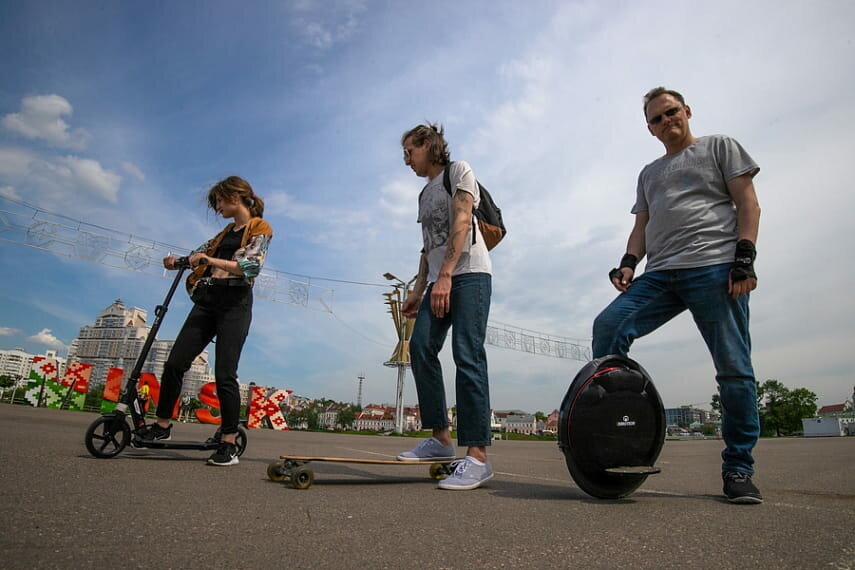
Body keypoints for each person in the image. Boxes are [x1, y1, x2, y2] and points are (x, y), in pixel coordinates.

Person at [592, 87, 763, 503]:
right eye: (656, 119)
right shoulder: (649, 173)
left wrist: (745, 258)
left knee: (733, 368)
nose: (667, 122)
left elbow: (748, 204)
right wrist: (629, 262)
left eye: (671, 113)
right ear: (649, 129)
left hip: (715, 268)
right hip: (661, 274)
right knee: (608, 327)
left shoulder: (720, 147)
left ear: (686, 111)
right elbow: (642, 226)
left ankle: (738, 467)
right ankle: (618, 431)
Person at [139, 175, 272, 466]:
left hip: (235, 304)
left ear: (235, 197)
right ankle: (162, 427)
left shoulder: (259, 228)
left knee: (225, 373)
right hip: (207, 301)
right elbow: (198, 255)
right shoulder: (224, 234)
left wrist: (209, 262)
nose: (218, 208)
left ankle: (227, 440)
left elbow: (250, 267)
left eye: (220, 202)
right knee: (175, 363)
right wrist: (178, 261)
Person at [396, 123, 494, 490]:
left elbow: (463, 220)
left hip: (469, 276)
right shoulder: (423, 195)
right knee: (421, 347)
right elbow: (427, 247)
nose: (407, 160)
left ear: (428, 145)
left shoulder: (459, 171)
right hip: (439, 280)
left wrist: (448, 276)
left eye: (410, 151)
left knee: (467, 353)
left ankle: (478, 457)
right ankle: (440, 440)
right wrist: (418, 289)